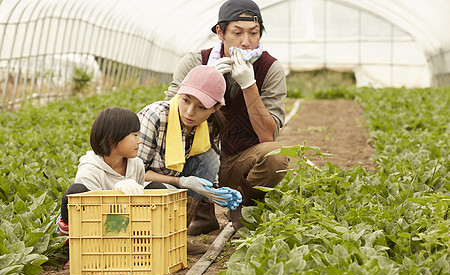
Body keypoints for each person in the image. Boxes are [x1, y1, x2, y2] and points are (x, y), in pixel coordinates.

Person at [164, 0, 290, 232]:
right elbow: (169, 115)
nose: (246, 41)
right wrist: (204, 83)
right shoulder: (194, 62)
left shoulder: (270, 68)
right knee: (175, 146)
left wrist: (249, 85)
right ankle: (201, 215)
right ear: (220, 33)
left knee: (276, 156)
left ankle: (242, 205)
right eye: (237, 32)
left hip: (240, 160)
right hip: (198, 157)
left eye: (254, 33)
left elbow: (267, 135)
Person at [138, 65, 242, 241]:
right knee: (164, 190)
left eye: (201, 107)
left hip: (172, 186)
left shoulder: (209, 126)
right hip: (144, 191)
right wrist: (181, 182)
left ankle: (176, 237)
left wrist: (213, 194)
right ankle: (154, 238)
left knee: (208, 156)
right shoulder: (153, 117)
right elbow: (133, 174)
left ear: (215, 108)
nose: (189, 112)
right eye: (186, 100)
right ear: (179, 92)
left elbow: (208, 169)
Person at [57, 107, 152, 236]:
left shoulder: (137, 164)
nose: (139, 140)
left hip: (130, 225)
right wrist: (116, 193)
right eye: (135, 135)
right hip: (94, 231)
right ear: (112, 138)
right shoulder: (90, 170)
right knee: (75, 191)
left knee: (157, 188)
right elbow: (93, 217)